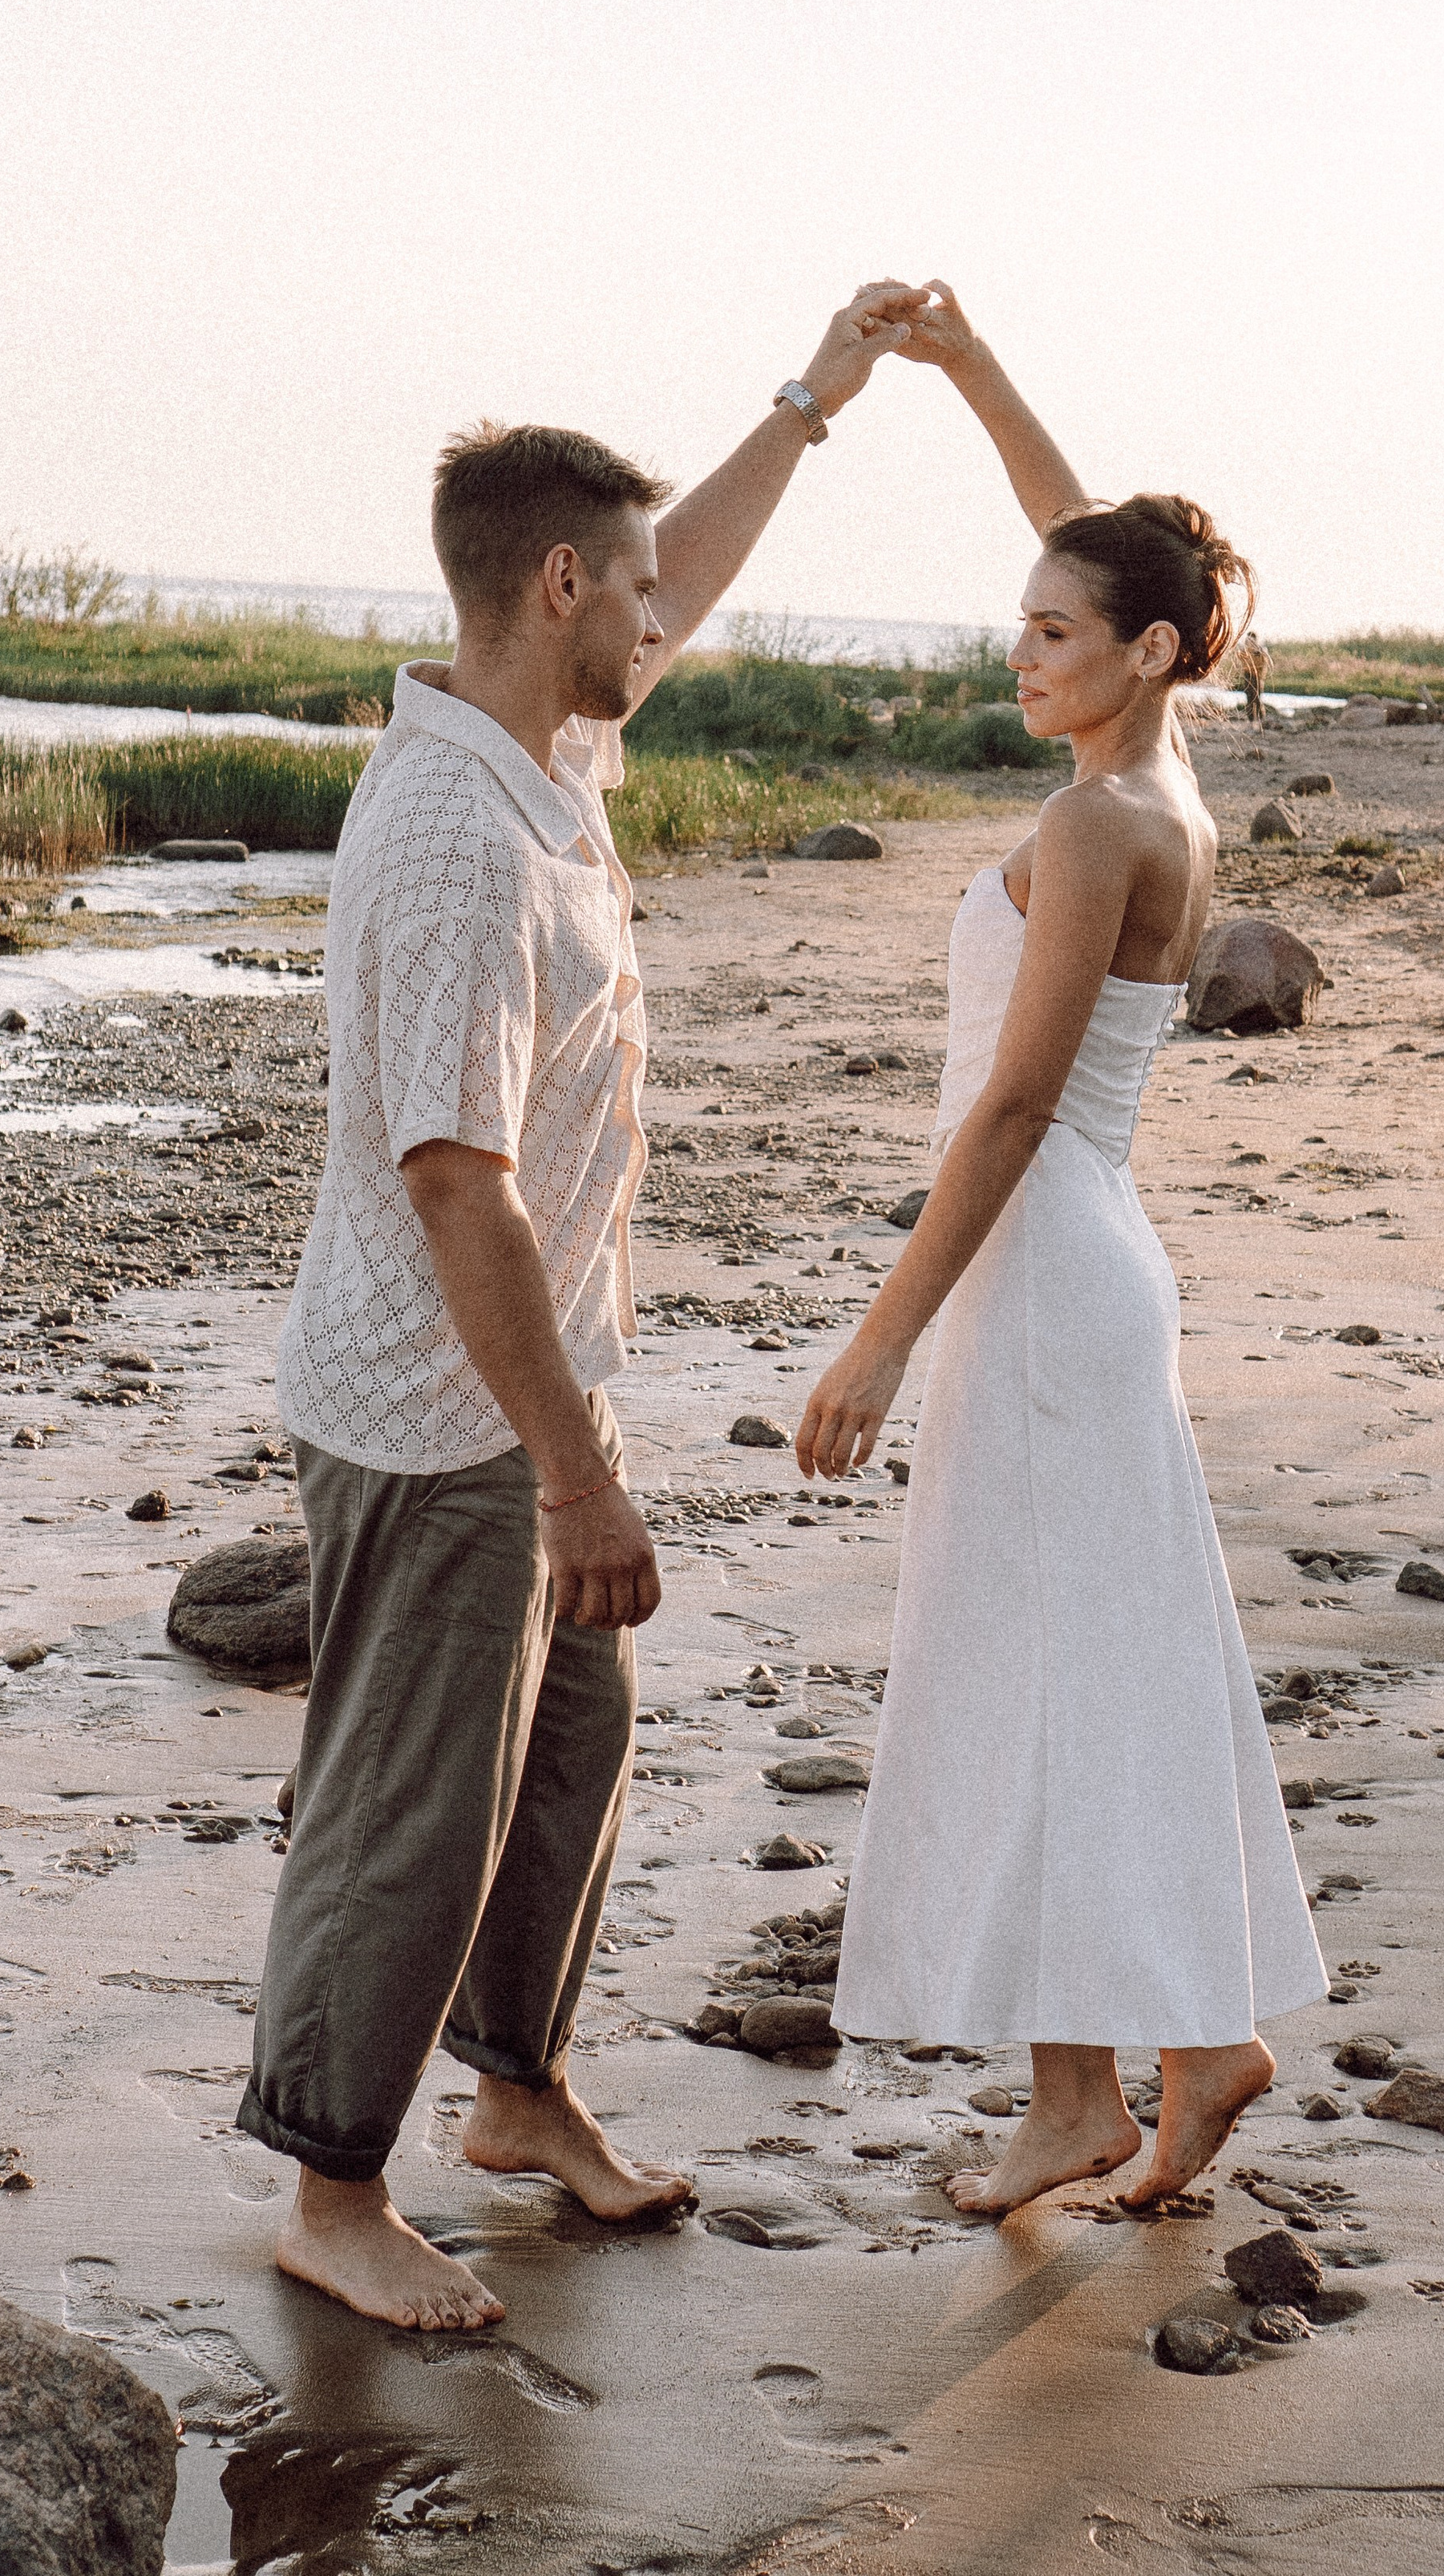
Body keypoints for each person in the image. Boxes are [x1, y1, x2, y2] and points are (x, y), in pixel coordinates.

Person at [241, 284, 923, 2327]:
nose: (663, 616)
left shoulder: (542, 742)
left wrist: (811, 400)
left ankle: (516, 2094)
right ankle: (329, 2179)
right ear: (558, 588)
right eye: (629, 588)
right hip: (435, 1405)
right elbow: (454, 1183)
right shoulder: (457, 829)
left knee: (566, 1752)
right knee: (413, 1800)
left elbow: (683, 567)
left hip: (527, 1385)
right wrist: (570, 1477)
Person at [799, 284, 1327, 2216]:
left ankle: (1077, 2092)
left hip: (1034, 1266)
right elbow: (1107, 542)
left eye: (1048, 632)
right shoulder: (1159, 769)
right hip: (1086, 1267)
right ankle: (1179, 2051)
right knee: (1097, 1663)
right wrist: (961, 369)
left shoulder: (1101, 816)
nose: (1015, 649)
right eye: (1012, 620)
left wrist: (870, 1342)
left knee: (1028, 1670)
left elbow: (1004, 1112)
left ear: (1146, 654)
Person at [1236, 628, 1268, 726]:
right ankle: (1251, 721)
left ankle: (1261, 720)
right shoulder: (1245, 651)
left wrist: (1261, 677)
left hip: (1257, 676)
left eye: (1252, 640)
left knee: (1257, 698)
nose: (1250, 642)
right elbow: (1240, 658)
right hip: (1247, 675)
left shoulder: (1260, 651)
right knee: (1249, 698)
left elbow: (1264, 664)